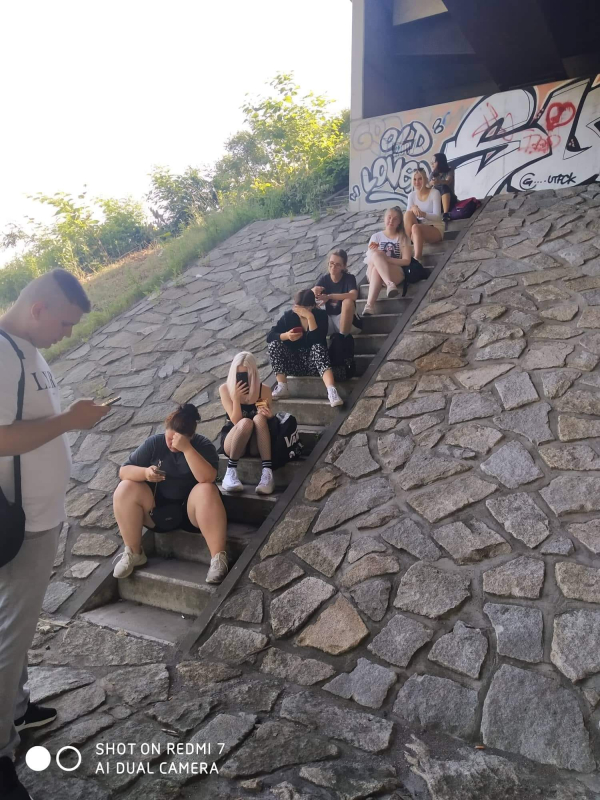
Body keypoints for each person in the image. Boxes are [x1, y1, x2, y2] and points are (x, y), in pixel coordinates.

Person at [0, 269, 110, 800]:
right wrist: (70, 421)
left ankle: (17, 710)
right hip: (19, 525)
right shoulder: (3, 353)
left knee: (16, 631)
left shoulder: (25, 349)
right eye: (64, 323)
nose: (66, 334)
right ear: (39, 309)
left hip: (37, 517)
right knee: (10, 637)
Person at [112, 404, 228, 584]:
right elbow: (124, 471)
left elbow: (208, 477)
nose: (172, 444)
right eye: (169, 438)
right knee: (125, 487)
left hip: (192, 513)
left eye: (178, 440)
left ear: (191, 436)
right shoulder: (154, 443)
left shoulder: (203, 445)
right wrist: (145, 473)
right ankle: (134, 553)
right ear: (165, 430)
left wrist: (187, 449)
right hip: (157, 511)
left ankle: (218, 558)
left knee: (206, 489)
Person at [267, 289, 344, 407]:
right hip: (294, 363)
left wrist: (310, 318)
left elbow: (318, 340)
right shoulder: (289, 316)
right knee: (274, 344)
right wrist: (286, 336)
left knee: (318, 347)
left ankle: (331, 391)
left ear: (312, 306)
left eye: (303, 309)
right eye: (297, 308)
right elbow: (270, 336)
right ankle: (282, 386)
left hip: (315, 364)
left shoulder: (321, 316)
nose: (299, 311)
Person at [219, 352, 275, 495]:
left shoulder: (263, 390)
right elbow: (236, 421)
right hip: (234, 440)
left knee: (259, 418)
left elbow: (264, 419)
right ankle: (230, 472)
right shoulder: (225, 389)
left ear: (253, 373)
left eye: (246, 374)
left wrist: (269, 416)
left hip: (256, 443)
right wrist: (236, 399)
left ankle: (267, 473)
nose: (243, 378)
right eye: (239, 374)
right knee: (245, 422)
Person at [362, 206, 412, 316]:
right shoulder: (376, 237)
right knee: (376, 259)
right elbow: (370, 259)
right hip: (374, 273)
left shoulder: (403, 238)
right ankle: (389, 284)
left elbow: (406, 261)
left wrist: (387, 259)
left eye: (395, 219)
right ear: (384, 218)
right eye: (389, 217)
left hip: (395, 272)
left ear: (399, 222)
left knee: (377, 265)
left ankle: (369, 305)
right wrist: (380, 256)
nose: (391, 221)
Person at [312, 248, 359, 336]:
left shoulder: (349, 278)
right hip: (329, 319)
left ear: (344, 266)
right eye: (331, 263)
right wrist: (313, 291)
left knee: (348, 302)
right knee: (309, 306)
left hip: (346, 320)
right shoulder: (324, 279)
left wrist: (329, 296)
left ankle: (342, 338)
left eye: (338, 265)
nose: (333, 267)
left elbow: (353, 295)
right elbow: (308, 297)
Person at [404, 168, 444, 261]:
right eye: (414, 179)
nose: (417, 182)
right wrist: (413, 208)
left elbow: (438, 217)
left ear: (425, 179)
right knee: (408, 215)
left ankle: (417, 259)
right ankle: (405, 250)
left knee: (415, 228)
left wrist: (423, 214)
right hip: (417, 230)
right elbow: (408, 217)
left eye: (420, 179)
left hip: (435, 227)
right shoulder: (411, 195)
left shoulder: (434, 193)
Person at [429, 152, 456, 220]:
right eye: (431, 162)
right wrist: (431, 183)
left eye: (434, 162)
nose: (432, 164)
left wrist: (439, 182)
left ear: (440, 162)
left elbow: (448, 181)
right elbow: (426, 187)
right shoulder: (432, 174)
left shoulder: (449, 170)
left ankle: (446, 214)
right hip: (438, 201)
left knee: (444, 187)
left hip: (450, 200)